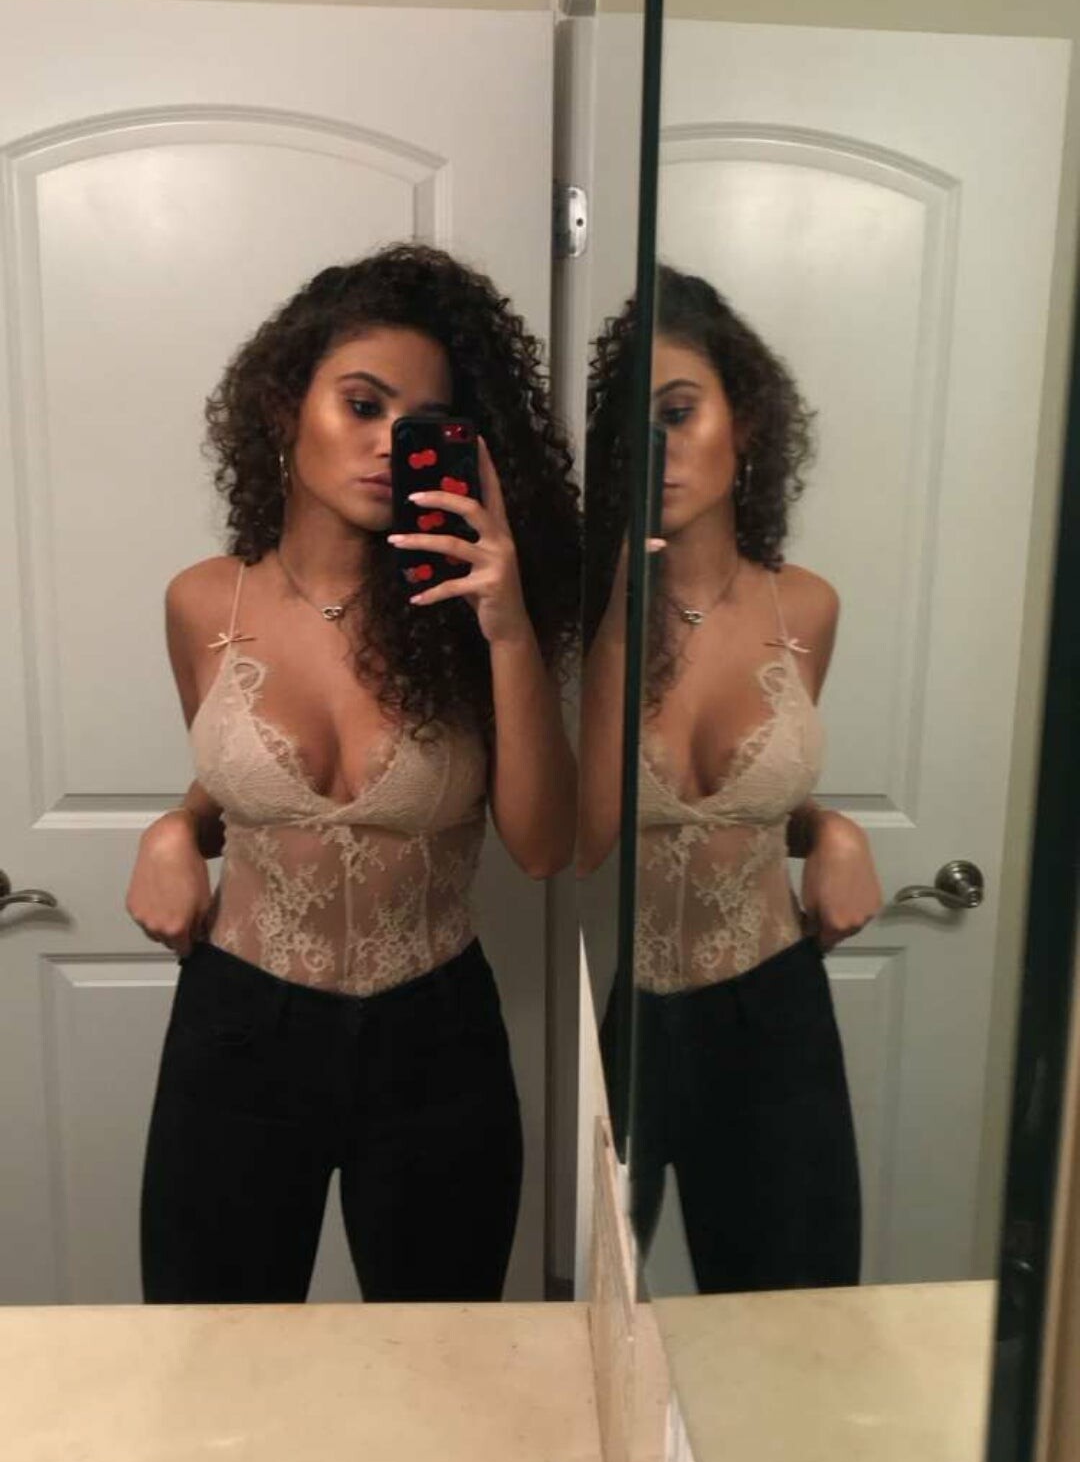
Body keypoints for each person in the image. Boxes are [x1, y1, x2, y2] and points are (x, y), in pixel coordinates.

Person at [127, 242, 581, 1304]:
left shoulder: (467, 615)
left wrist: (510, 628)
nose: (388, 445)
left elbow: (544, 847)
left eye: (424, 423)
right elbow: (238, 786)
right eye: (364, 405)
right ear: (283, 406)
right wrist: (172, 830)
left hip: (437, 1035)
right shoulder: (204, 603)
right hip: (238, 1027)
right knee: (214, 1345)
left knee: (440, 1360)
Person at [580, 264, 881, 1293]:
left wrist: (833, 831)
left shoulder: (807, 609)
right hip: (627, 1016)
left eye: (679, 413)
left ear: (743, 422)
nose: (656, 449)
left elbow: (765, 801)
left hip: (775, 1009)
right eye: (633, 430)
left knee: (793, 1320)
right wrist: (618, 616)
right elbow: (580, 837)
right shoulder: (587, 619)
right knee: (592, 1324)